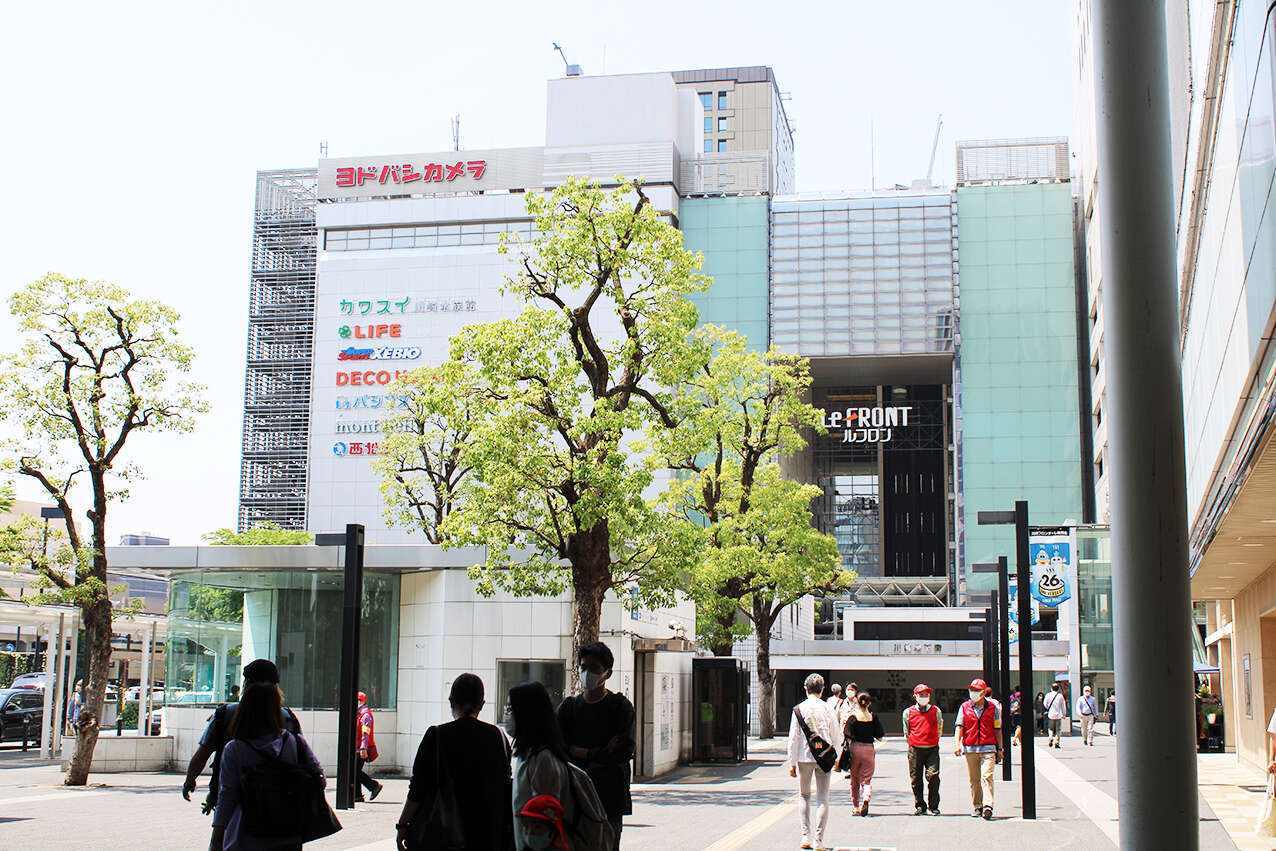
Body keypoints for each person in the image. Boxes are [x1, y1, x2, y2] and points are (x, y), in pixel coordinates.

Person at [395, 673, 513, 851]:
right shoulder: (499, 738)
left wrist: (403, 825)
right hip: (488, 834)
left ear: (452, 702)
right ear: (481, 704)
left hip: (442, 835)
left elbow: (418, 788)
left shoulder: (436, 736)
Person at [209, 682, 325, 851]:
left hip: (244, 835)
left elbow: (227, 795)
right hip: (288, 834)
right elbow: (319, 779)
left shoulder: (235, 748)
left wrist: (216, 837)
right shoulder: (294, 742)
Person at [183, 659, 303, 813]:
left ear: (246, 685)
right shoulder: (288, 719)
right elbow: (302, 759)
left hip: (232, 800)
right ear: (276, 686)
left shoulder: (225, 715)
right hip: (279, 802)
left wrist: (190, 780)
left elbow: (203, 752)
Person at [511, 680, 612, 851]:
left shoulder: (543, 761)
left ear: (525, 714)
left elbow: (545, 823)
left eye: (511, 709)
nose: (508, 715)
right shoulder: (528, 756)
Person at [557, 641, 635, 850]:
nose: (586, 673)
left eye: (594, 669)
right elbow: (560, 750)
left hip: (609, 797)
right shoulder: (568, 708)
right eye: (583, 667)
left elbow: (623, 751)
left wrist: (580, 752)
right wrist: (600, 754)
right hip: (574, 798)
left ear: (607, 673)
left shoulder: (620, 707)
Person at [786, 673, 842, 850]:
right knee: (822, 798)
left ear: (805, 688)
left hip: (803, 757)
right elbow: (836, 735)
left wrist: (792, 762)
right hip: (824, 758)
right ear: (823, 689)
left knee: (804, 795)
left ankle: (805, 837)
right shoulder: (827, 709)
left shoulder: (798, 709)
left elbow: (793, 738)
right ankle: (819, 840)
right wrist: (837, 757)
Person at [953, 678, 1002, 821]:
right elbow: (959, 726)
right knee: (974, 780)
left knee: (987, 777)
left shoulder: (993, 708)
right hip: (970, 748)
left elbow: (997, 729)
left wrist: (1000, 749)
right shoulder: (964, 707)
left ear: (983, 692)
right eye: (971, 690)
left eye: (976, 690)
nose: (972, 693)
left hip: (988, 748)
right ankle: (977, 806)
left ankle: (988, 806)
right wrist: (957, 744)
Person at [903, 683, 942, 816]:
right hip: (915, 749)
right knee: (916, 779)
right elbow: (906, 731)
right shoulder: (908, 712)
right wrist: (912, 742)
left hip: (932, 748)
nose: (924, 697)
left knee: (933, 776)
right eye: (921, 695)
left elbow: (939, 728)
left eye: (926, 695)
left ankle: (934, 806)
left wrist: (934, 739)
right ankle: (920, 805)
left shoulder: (936, 711)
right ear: (915, 696)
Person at [843, 690, 884, 816]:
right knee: (866, 780)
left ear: (857, 702)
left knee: (854, 780)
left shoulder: (853, 717)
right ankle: (866, 798)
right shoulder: (873, 717)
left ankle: (855, 806)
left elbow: (846, 735)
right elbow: (880, 736)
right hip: (868, 750)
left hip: (855, 749)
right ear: (869, 703)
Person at [355, 690, 383, 801]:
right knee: (354, 772)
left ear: (363, 701)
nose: (357, 702)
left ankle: (373, 786)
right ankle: (357, 795)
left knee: (355, 771)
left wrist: (363, 748)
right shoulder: (359, 713)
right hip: (358, 747)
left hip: (362, 748)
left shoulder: (365, 715)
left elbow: (365, 733)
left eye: (359, 700)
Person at [1044, 682, 1067, 748]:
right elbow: (1063, 706)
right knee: (1058, 729)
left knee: (1050, 728)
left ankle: (1050, 737)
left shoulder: (1048, 695)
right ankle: (1057, 742)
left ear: (1051, 688)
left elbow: (1045, 704)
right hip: (1058, 715)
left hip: (1051, 714)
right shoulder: (1060, 696)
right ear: (1058, 689)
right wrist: (1064, 714)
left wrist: (1048, 708)